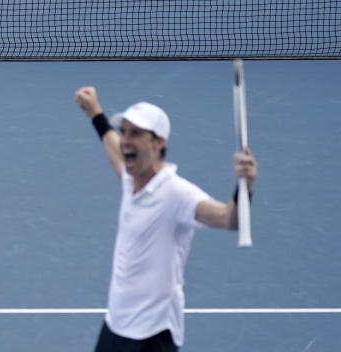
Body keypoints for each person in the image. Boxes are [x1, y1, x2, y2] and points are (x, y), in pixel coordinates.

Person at [73, 86, 258, 351]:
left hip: (153, 336)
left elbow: (228, 219)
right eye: (124, 131)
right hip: (116, 325)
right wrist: (96, 113)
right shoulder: (130, 177)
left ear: (158, 143)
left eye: (135, 134)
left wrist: (245, 187)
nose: (126, 139)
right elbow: (114, 147)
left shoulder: (175, 192)